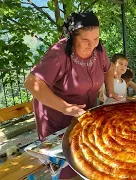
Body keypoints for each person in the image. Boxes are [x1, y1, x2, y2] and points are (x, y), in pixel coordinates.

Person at [24, 11, 120, 180]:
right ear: (72, 36)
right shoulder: (59, 53)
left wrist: (110, 90)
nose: (92, 45)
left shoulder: (99, 50)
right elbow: (32, 83)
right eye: (85, 40)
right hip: (57, 117)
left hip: (85, 115)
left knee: (91, 160)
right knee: (67, 166)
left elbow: (109, 68)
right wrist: (66, 107)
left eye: (96, 38)